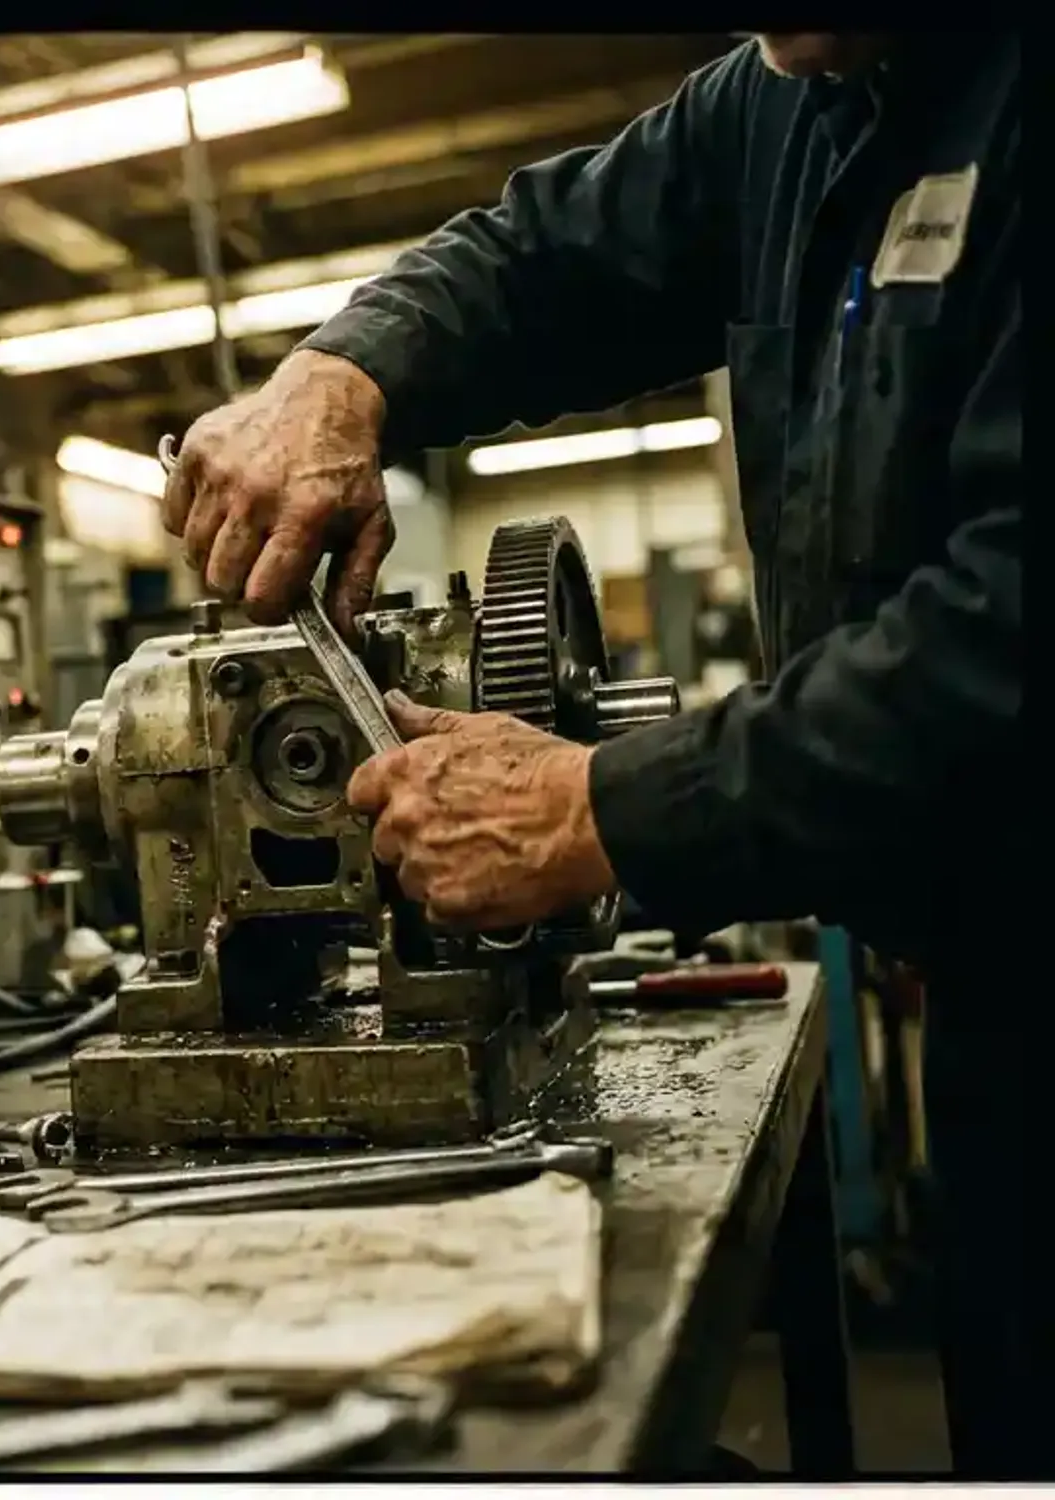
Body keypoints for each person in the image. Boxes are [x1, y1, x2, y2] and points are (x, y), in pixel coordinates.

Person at [159, 34, 1026, 1475]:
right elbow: (553, 251)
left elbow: (1005, 641)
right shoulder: (790, 96)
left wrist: (600, 806)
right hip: (991, 981)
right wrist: (346, 373)